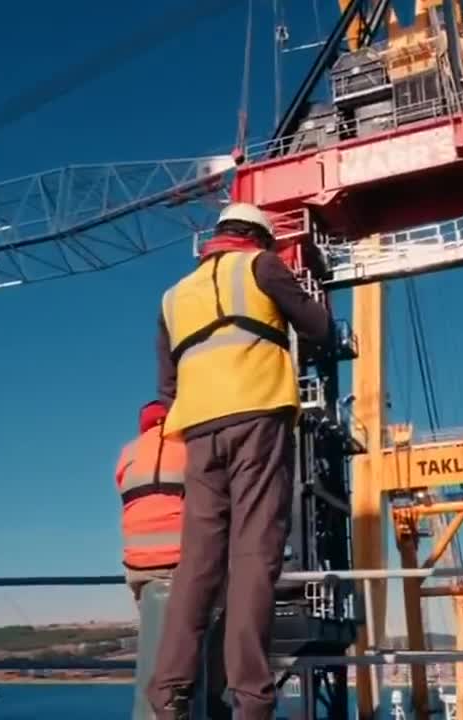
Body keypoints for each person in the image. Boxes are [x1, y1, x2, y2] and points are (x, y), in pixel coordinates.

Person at [145, 202, 334, 719]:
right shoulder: (262, 266)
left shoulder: (172, 297)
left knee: (198, 561)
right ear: (258, 238)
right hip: (258, 415)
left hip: (199, 428)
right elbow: (319, 327)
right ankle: (252, 698)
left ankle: (167, 694)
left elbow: (166, 387)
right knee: (254, 553)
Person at [114, 400, 186, 601]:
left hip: (139, 567)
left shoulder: (128, 453)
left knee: (153, 620)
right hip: (188, 562)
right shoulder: (192, 447)